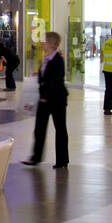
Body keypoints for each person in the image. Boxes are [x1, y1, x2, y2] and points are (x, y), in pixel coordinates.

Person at [23, 31, 69, 168]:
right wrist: (39, 74)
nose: (41, 43)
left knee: (60, 129)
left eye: (44, 41)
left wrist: (45, 96)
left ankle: (62, 160)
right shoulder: (46, 57)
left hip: (56, 99)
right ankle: (35, 157)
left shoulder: (57, 59)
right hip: (44, 98)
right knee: (39, 128)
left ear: (50, 44)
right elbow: (47, 77)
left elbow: (55, 81)